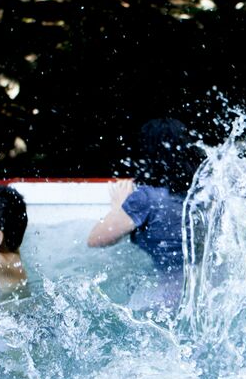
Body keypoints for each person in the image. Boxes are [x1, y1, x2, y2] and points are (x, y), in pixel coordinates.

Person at [87, 119, 203, 308]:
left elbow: (95, 239)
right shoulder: (202, 194)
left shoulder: (146, 198)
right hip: (203, 292)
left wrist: (119, 207)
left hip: (166, 298)